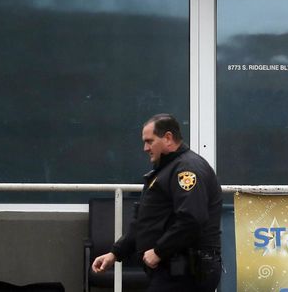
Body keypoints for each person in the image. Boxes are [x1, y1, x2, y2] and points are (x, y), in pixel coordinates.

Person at [92, 113, 223, 292]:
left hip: (187, 270)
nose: (145, 148)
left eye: (149, 141)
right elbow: (145, 221)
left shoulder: (186, 169)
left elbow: (191, 218)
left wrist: (159, 251)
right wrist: (115, 253)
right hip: (173, 268)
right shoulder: (167, 170)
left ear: (168, 138)